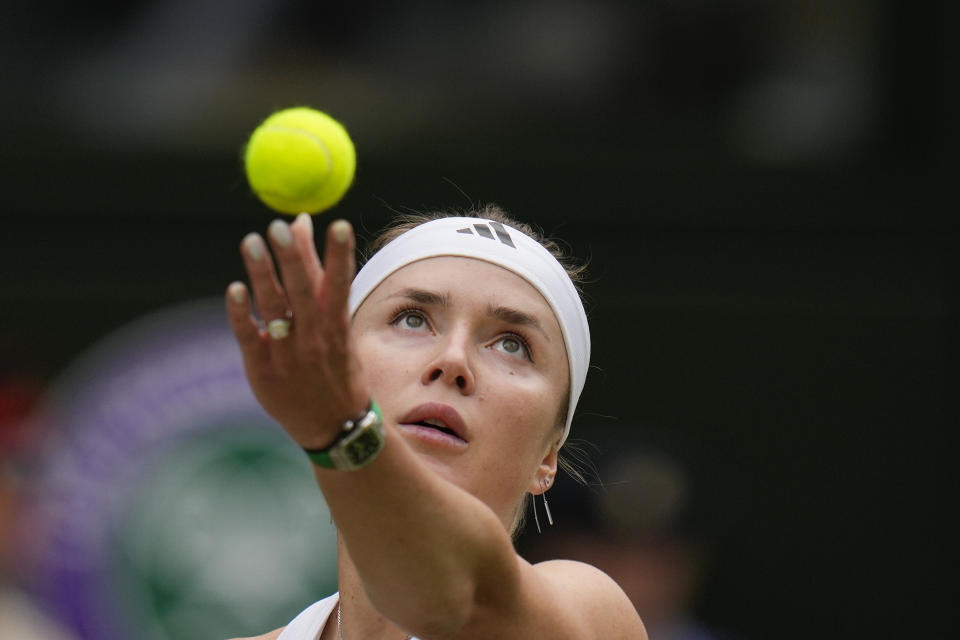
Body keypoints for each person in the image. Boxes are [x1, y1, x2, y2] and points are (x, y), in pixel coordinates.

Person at [225, 205, 647, 640]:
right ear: (337, 364)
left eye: (512, 345)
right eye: (412, 319)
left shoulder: (594, 618)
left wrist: (343, 432)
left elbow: (460, 604)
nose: (452, 360)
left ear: (547, 456)